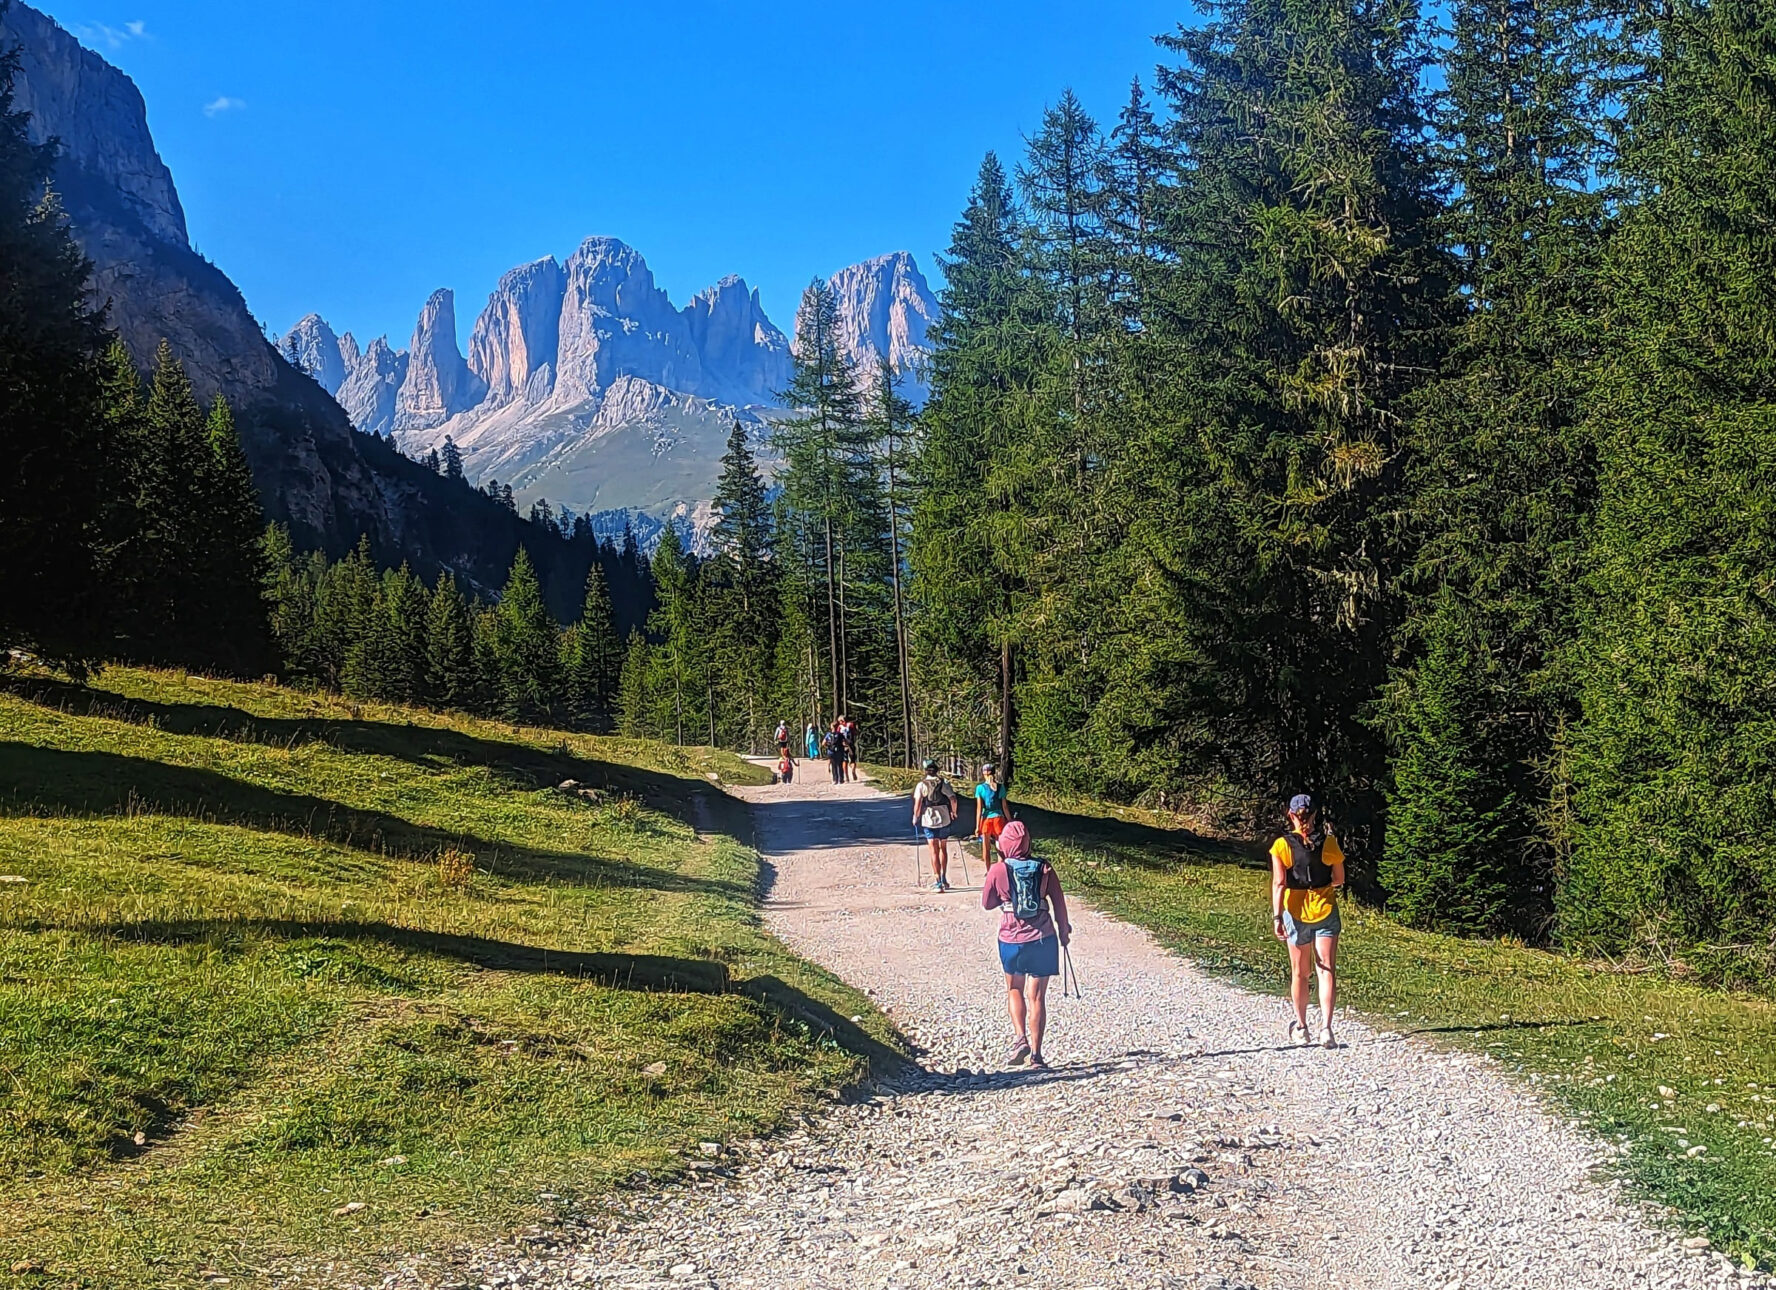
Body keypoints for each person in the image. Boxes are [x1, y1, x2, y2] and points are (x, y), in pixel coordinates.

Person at [981, 820, 1069, 1069]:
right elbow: (1059, 903)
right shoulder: (1044, 867)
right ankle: (1037, 1056)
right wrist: (1064, 932)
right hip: (1043, 938)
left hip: (1011, 940)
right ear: (1028, 842)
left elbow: (987, 903)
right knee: (1037, 997)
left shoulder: (998, 870)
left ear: (1003, 844)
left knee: (1015, 989)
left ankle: (1020, 1038)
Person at [1270, 792, 1346, 1048]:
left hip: (1295, 912)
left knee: (1300, 973)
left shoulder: (1281, 846)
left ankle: (1302, 1028)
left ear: (1290, 815)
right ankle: (1326, 1029)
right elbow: (1339, 879)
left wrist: (1277, 916)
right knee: (1326, 969)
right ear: (1314, 815)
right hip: (1325, 909)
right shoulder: (1329, 843)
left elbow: (1279, 883)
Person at [912, 759, 959, 891]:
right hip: (944, 818)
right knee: (943, 848)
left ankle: (938, 882)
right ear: (937, 770)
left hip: (929, 819)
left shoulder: (921, 785)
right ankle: (944, 879)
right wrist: (954, 812)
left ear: (926, 771)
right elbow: (953, 799)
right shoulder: (944, 783)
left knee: (933, 850)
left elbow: (918, 803)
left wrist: (916, 817)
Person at [973, 762, 1011, 867]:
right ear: (994, 773)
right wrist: (1010, 821)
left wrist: (977, 826)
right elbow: (1005, 807)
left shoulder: (980, 788)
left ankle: (988, 870)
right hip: (999, 818)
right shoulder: (1000, 787)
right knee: (1000, 845)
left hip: (986, 818)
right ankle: (1001, 868)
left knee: (986, 846)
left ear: (983, 773)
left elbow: (979, 808)